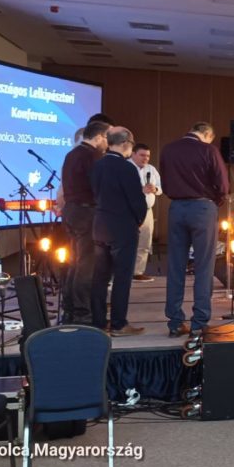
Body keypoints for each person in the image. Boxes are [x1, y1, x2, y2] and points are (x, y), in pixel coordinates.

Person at [159, 122, 229, 338]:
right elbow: (223, 184)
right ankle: (199, 323)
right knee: (204, 266)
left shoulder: (168, 149)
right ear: (207, 134)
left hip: (176, 208)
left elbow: (165, 181)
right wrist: (215, 201)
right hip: (202, 208)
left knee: (176, 266)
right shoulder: (209, 150)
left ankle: (175, 322)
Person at [89, 127, 147, 336]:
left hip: (100, 226)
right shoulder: (127, 168)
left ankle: (98, 323)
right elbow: (137, 201)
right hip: (122, 227)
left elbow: (94, 193)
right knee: (122, 278)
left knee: (100, 278)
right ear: (125, 144)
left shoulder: (97, 165)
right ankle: (118, 324)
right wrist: (138, 221)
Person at [59, 120, 109, 325]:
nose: (107, 143)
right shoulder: (92, 156)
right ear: (99, 137)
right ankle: (83, 314)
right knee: (86, 265)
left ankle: (69, 310)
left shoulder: (72, 154)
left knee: (75, 263)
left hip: (71, 211)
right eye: (107, 138)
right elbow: (99, 186)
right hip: (86, 212)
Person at [130, 143, 161, 282]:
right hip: (129, 210)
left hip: (147, 210)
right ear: (133, 154)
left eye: (148, 156)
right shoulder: (126, 167)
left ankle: (137, 272)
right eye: (142, 155)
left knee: (144, 241)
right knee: (127, 241)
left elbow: (161, 188)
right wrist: (140, 190)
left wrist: (155, 189)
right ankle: (122, 271)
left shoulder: (151, 169)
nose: (145, 158)